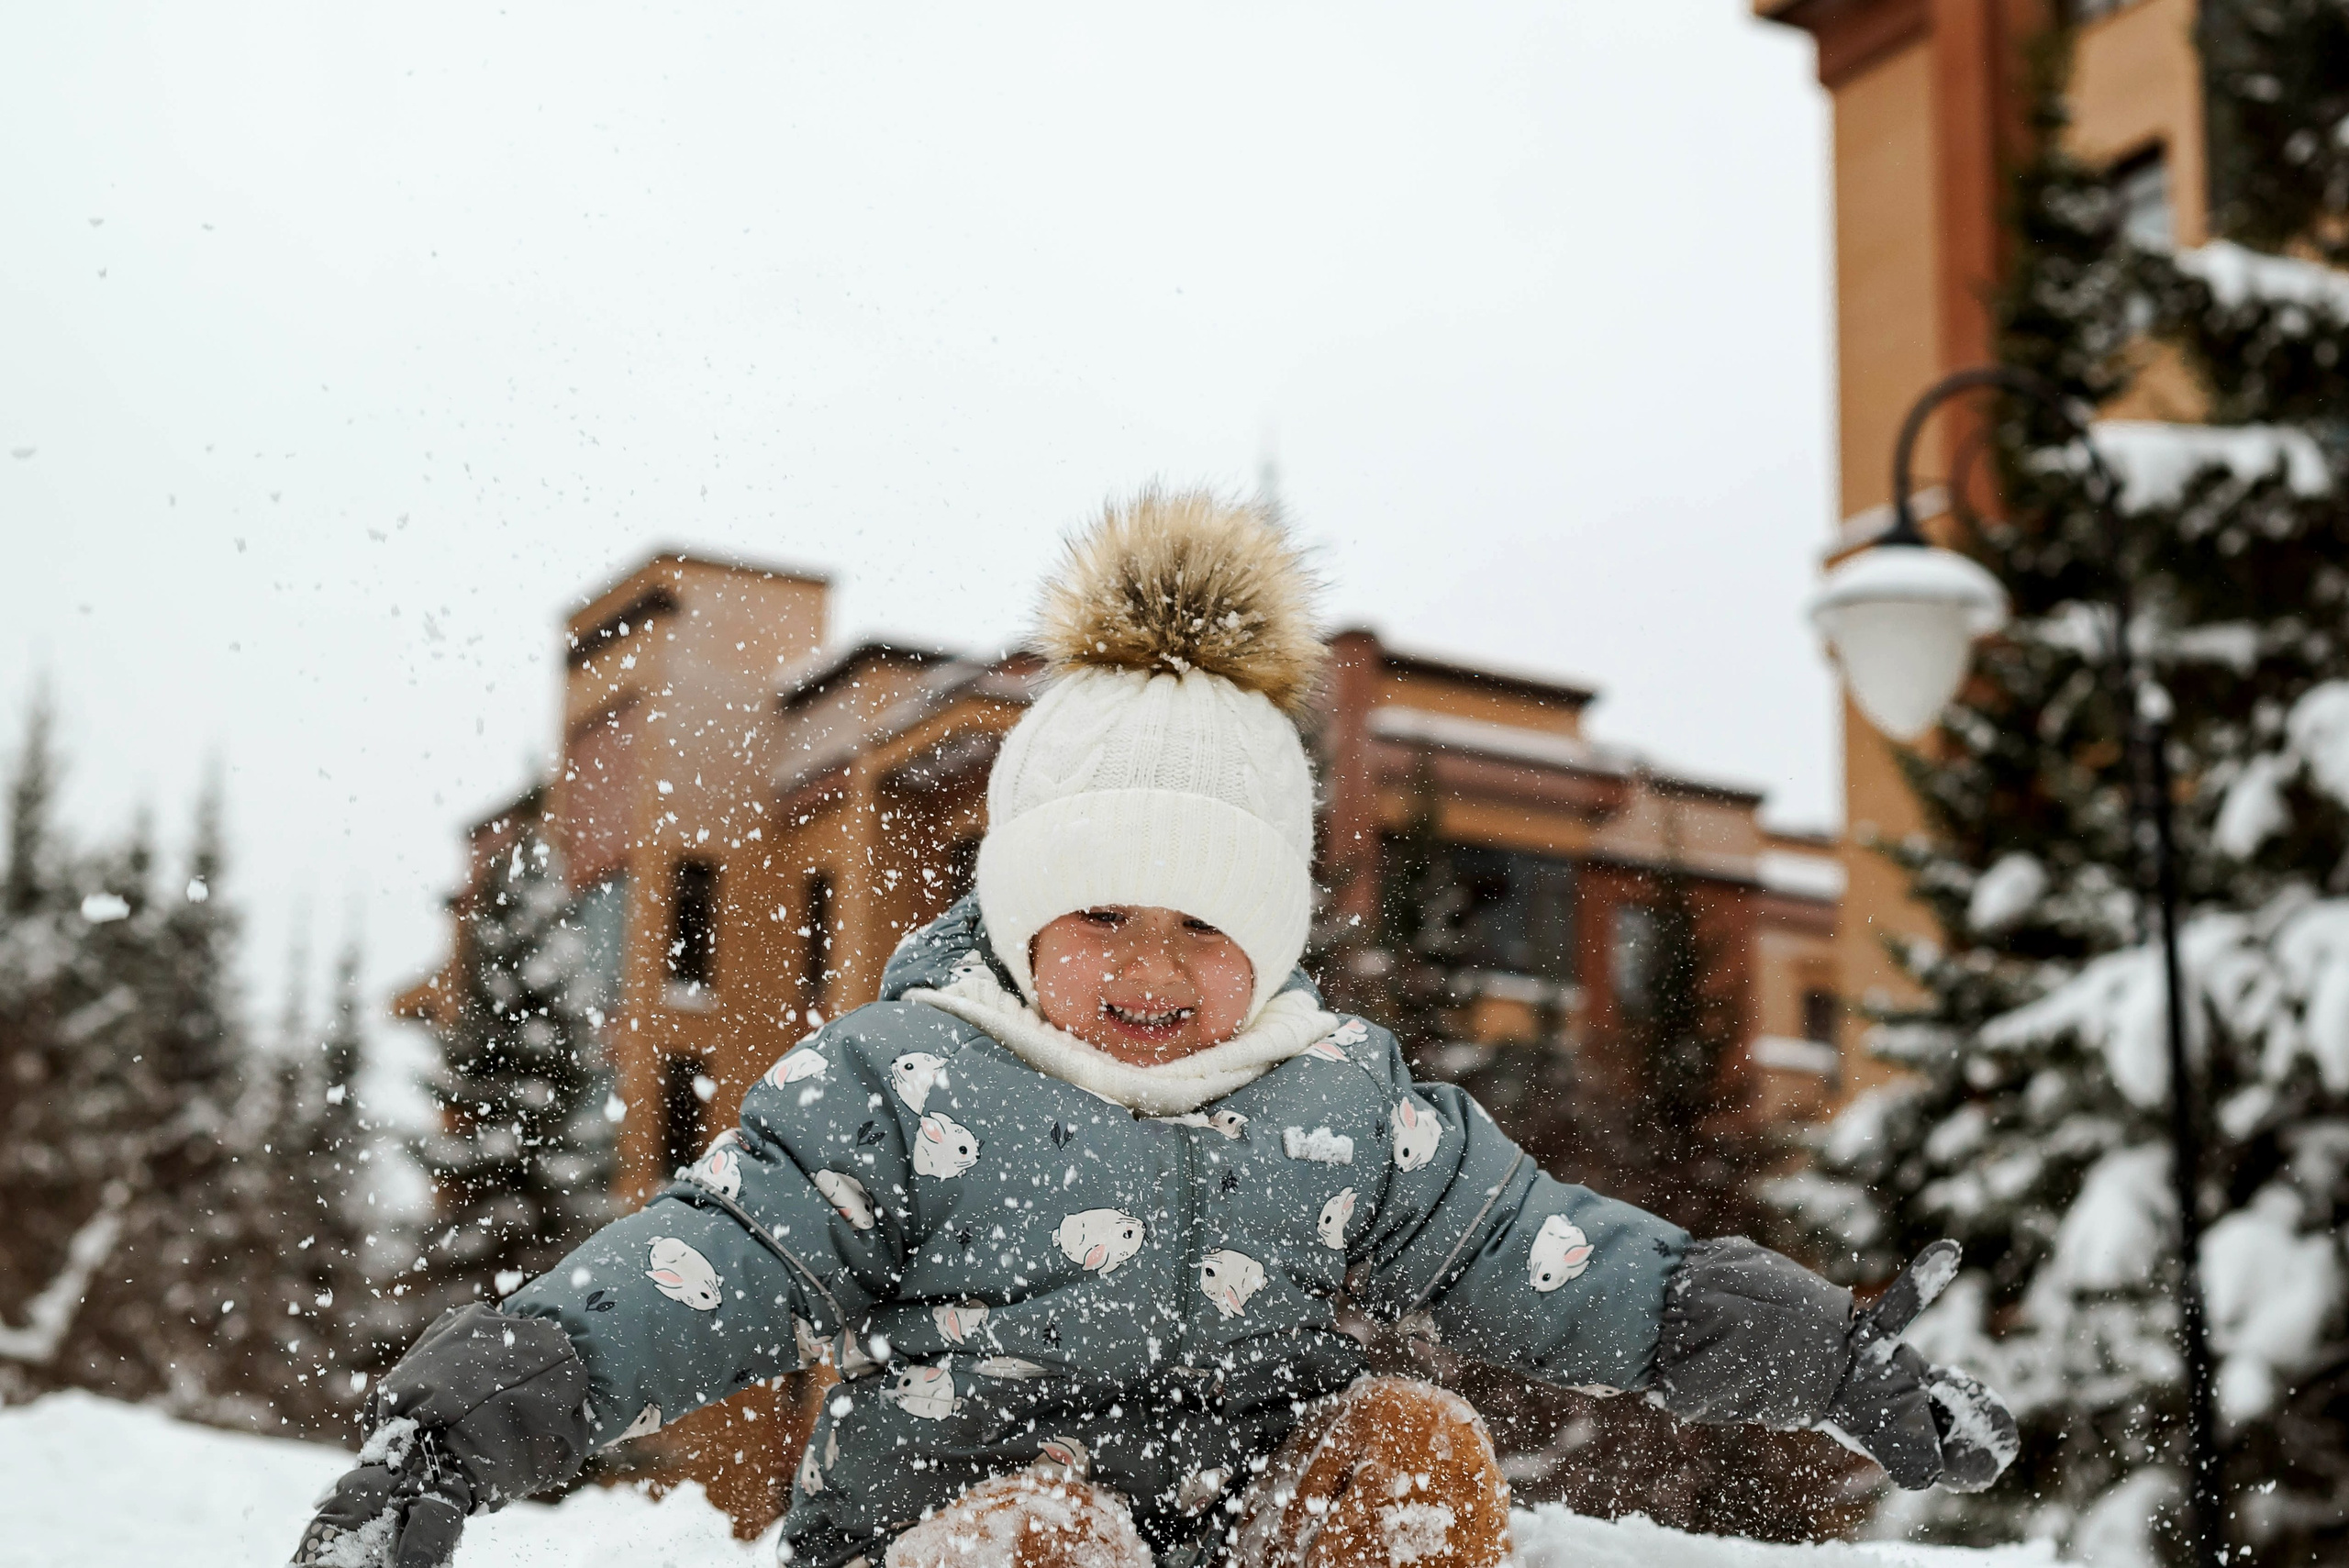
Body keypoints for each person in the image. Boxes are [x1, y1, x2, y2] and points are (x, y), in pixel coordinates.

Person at [292, 491, 2016, 1568]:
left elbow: (1562, 1255)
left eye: (1204, 924)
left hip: (1249, 1536)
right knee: (1041, 1537)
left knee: (1416, 1454)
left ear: (1266, 945)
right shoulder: (902, 1084)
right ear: (1018, 913)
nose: (1146, 965)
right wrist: (458, 1424)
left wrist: (1834, 1356)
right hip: (948, 1535)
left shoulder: (1344, 1100)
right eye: (1099, 912)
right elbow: (705, 1261)